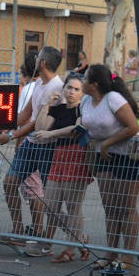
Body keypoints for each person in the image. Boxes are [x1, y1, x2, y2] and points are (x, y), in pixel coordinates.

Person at [0, 46, 63, 250]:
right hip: (31, 143)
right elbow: (26, 113)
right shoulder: (37, 84)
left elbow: (37, 122)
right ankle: (18, 230)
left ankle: (64, 238)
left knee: (51, 197)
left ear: (42, 63)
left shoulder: (57, 87)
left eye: (38, 58)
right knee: (9, 182)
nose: (34, 61)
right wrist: (4, 123)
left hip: (48, 146)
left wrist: (11, 135)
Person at [81, 64, 139, 269]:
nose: (81, 81)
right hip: (102, 157)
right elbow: (86, 128)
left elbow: (132, 127)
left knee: (126, 208)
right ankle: (110, 254)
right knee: (111, 207)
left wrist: (108, 142)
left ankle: (128, 257)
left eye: (85, 78)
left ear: (94, 84)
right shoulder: (86, 101)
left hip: (125, 156)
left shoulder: (113, 99)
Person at [31, 74, 92, 262]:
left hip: (76, 156)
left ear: (83, 93)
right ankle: (80, 239)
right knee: (51, 206)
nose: (72, 92)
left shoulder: (83, 109)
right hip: (59, 156)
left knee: (73, 206)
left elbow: (76, 129)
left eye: (76, 89)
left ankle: (69, 250)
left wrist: (52, 133)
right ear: (64, 88)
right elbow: (40, 129)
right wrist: (47, 105)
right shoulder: (58, 109)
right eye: (69, 88)